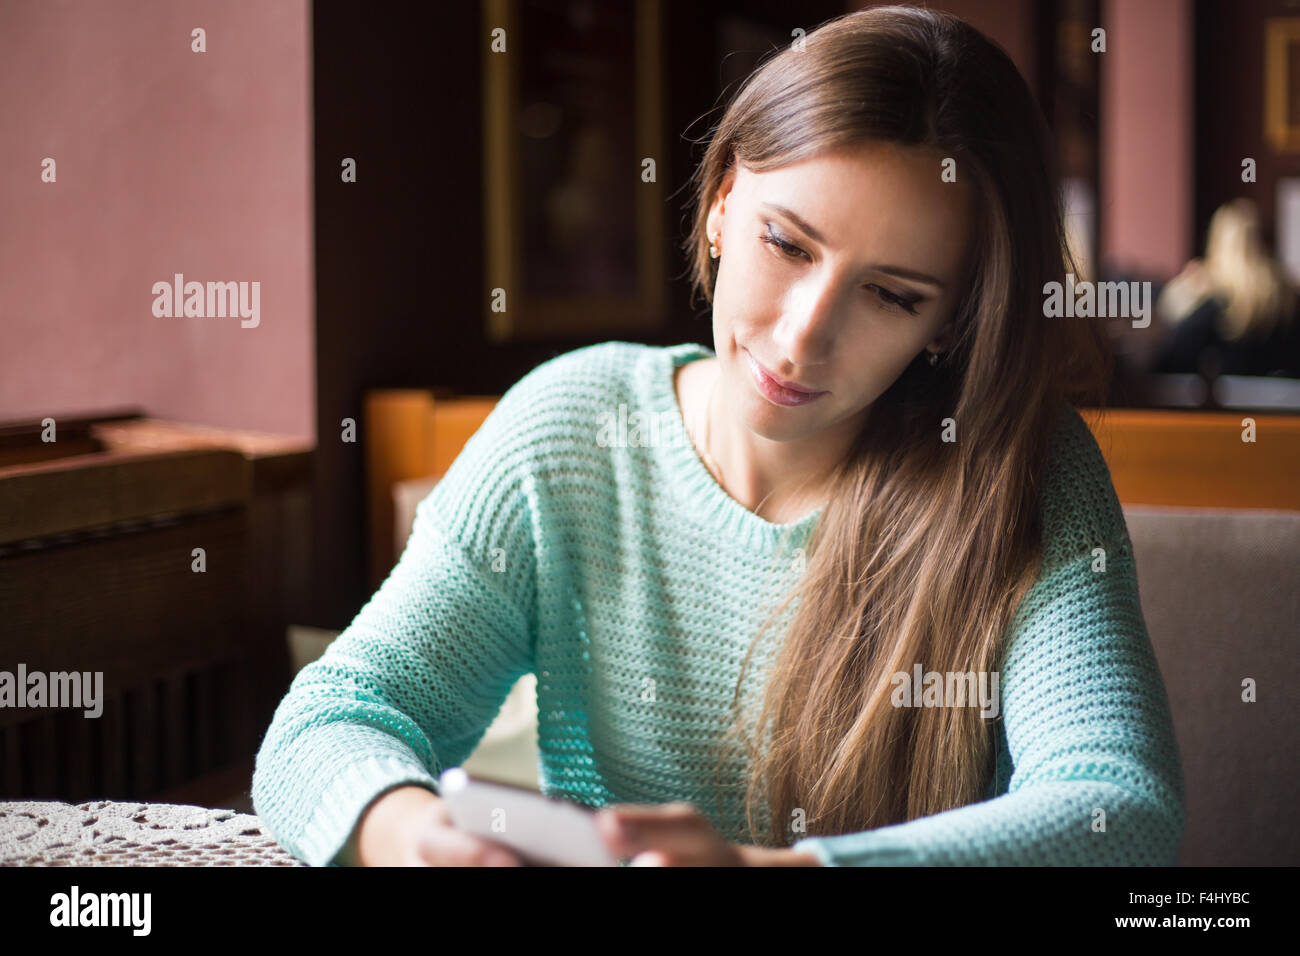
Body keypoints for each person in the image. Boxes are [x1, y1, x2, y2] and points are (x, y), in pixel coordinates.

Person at [252, 5, 1185, 866]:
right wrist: (416, 838)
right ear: (722, 204)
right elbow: (330, 721)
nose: (802, 335)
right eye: (788, 244)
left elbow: (1121, 809)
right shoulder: (569, 429)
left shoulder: (1023, 468)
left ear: (950, 322)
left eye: (893, 295)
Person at [1152, 198, 1300, 378]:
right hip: (1288, 403)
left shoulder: (1216, 303)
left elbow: (1171, 360)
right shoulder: (1288, 297)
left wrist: (1183, 294)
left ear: (1217, 243)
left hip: (1231, 403)